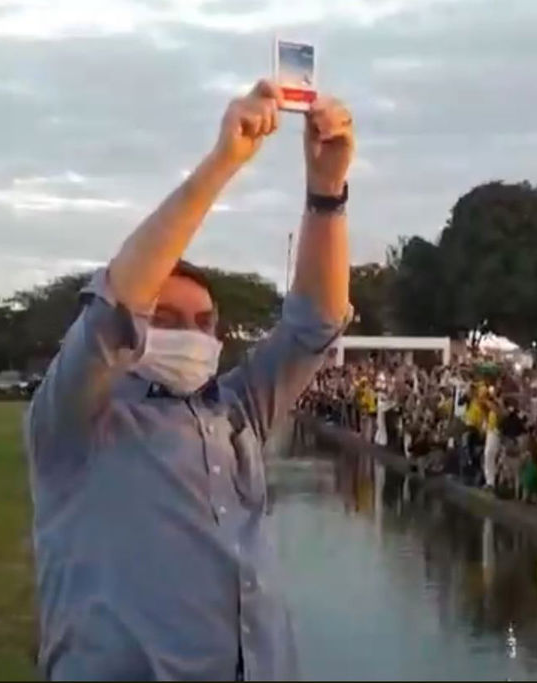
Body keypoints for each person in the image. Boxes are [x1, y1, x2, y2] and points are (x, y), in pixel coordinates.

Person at [25, 80, 355, 680]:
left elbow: (317, 323)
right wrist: (225, 161)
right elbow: (117, 301)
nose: (192, 333)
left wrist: (327, 191)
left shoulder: (236, 408)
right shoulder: (76, 419)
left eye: (205, 322)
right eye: (168, 319)